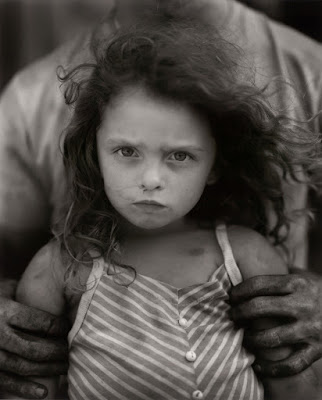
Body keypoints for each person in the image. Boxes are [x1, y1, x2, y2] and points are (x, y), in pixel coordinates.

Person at [1, 0, 322, 398]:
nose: (151, 180)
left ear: (216, 162)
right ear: (92, 150)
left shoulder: (311, 70)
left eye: (181, 156)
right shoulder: (26, 99)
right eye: (126, 152)